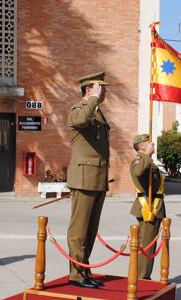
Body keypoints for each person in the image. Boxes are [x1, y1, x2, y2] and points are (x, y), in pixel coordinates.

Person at [66, 72, 110, 288]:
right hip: (84, 178)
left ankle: (84, 269)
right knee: (79, 230)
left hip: (97, 178)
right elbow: (82, 121)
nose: (105, 92)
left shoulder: (97, 112)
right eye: (101, 88)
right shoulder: (78, 109)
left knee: (90, 230)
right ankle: (75, 274)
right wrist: (93, 98)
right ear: (89, 90)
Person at [130, 134, 165, 280]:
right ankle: (142, 278)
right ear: (141, 146)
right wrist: (147, 156)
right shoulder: (139, 160)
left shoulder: (147, 161)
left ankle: (142, 276)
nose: (152, 143)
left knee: (149, 247)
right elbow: (138, 172)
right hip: (148, 208)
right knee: (146, 247)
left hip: (154, 207)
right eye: (147, 142)